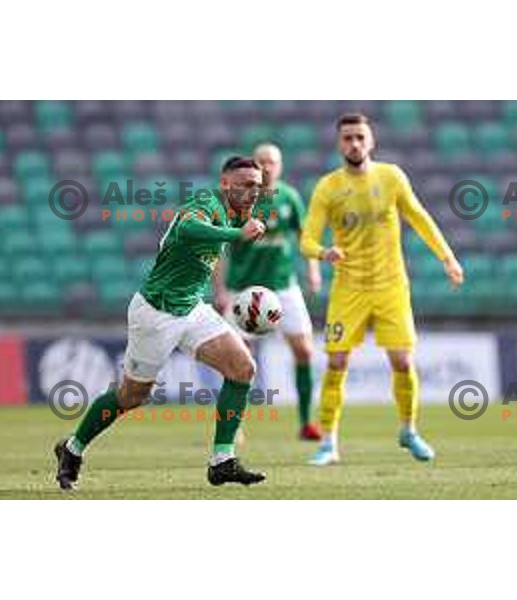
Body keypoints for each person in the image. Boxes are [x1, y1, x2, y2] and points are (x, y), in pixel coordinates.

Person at [55, 156, 269, 489]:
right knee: (131, 396)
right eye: (245, 184)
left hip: (192, 309)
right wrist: (236, 233)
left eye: (258, 185)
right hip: (156, 312)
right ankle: (72, 448)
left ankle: (222, 461)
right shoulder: (205, 202)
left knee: (243, 368)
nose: (253, 191)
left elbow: (208, 254)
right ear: (225, 183)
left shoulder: (238, 213)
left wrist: (221, 286)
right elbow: (187, 229)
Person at [300, 113, 464, 466]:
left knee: (403, 362)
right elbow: (307, 239)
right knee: (337, 361)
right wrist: (322, 252)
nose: (354, 143)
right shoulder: (328, 187)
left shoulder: (391, 177)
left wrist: (447, 257)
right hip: (349, 289)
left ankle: (409, 430)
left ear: (371, 141)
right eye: (347, 138)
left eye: (360, 137)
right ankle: (328, 442)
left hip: (391, 286)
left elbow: (419, 217)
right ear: (338, 143)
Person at [214, 143, 322, 440]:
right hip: (242, 292)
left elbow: (306, 238)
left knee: (304, 350)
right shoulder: (235, 202)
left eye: (272, 162)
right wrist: (220, 289)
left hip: (283, 289)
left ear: (281, 165)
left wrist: (312, 270)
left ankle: (305, 422)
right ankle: (235, 426)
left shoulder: (288, 197)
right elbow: (219, 250)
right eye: (261, 162)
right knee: (237, 361)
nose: (267, 167)